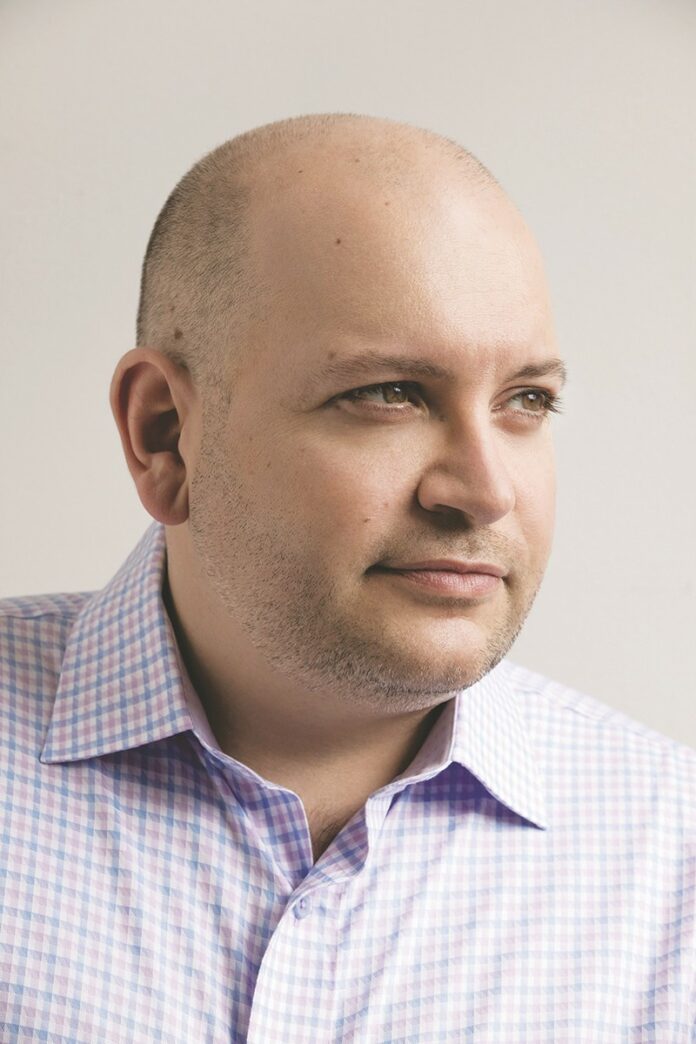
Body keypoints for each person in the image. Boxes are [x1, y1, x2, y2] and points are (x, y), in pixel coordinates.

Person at [0, 113, 693, 1042]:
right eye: (388, 394)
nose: (486, 492)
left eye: (526, 400)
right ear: (165, 433)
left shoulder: (673, 863)